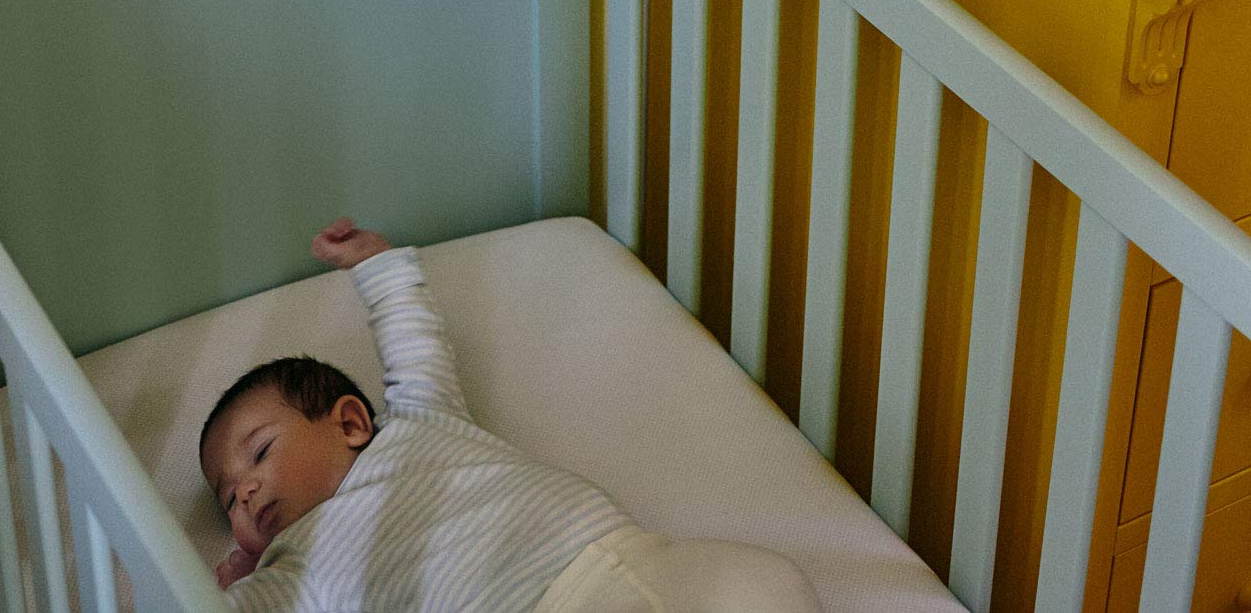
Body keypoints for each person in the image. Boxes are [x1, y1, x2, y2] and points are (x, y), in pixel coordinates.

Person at [199, 220, 822, 611]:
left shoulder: (420, 420)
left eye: (260, 452)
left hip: (618, 555)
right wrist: (229, 581)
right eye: (228, 500)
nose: (245, 493)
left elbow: (415, 344)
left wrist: (377, 267)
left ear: (350, 424)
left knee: (768, 585)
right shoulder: (295, 571)